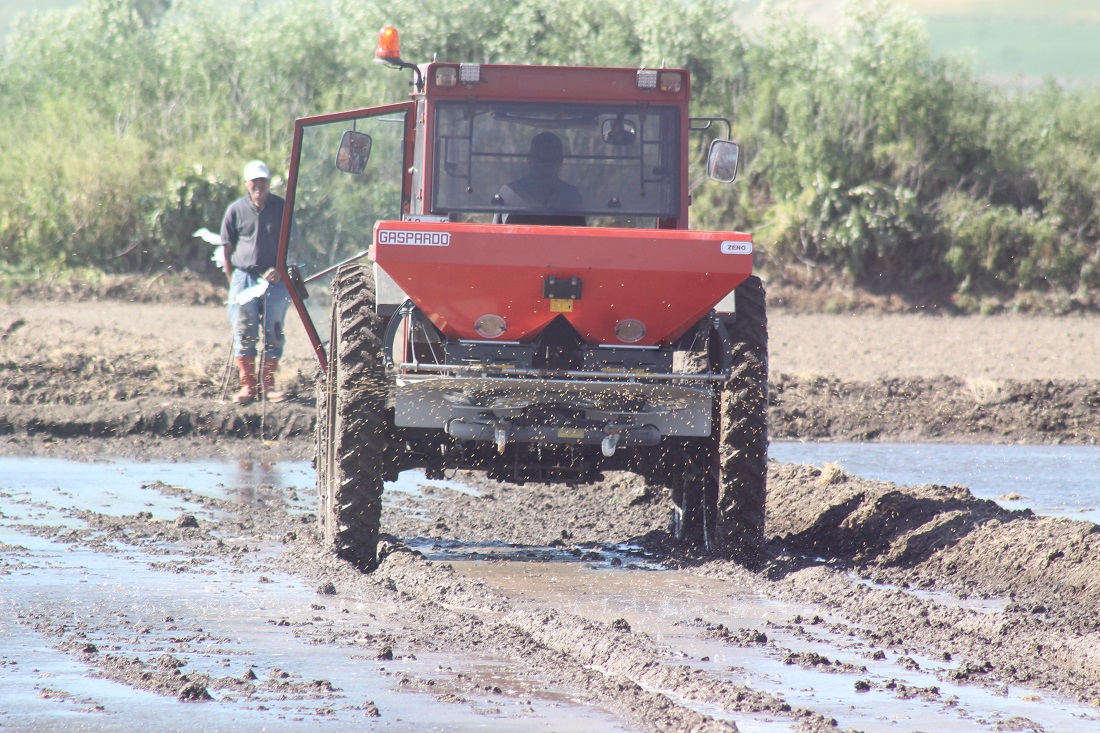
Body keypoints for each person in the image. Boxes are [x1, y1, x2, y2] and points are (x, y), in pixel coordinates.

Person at [220, 160, 292, 405]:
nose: (259, 185)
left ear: (269, 182)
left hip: (276, 280)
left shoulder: (282, 208)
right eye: (254, 181)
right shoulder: (235, 210)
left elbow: (294, 244)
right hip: (245, 278)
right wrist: (234, 282)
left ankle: (268, 385)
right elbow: (227, 249)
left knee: (274, 330)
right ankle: (248, 386)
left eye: (263, 180)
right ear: (246, 184)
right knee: (245, 331)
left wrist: (281, 270)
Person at [493, 131, 586, 226]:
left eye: (548, 160)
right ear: (560, 161)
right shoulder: (571, 195)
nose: (544, 165)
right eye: (542, 160)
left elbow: (494, 235)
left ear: (529, 159)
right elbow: (583, 237)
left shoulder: (508, 192)